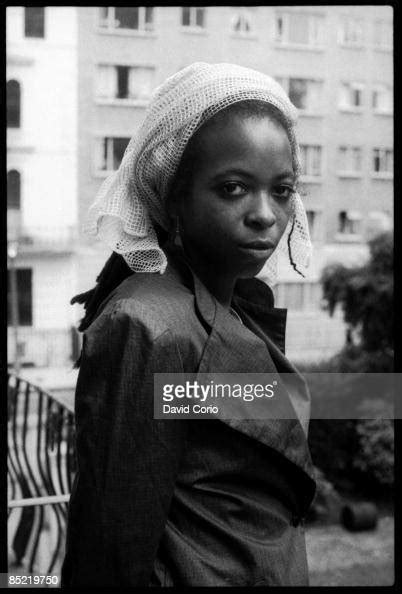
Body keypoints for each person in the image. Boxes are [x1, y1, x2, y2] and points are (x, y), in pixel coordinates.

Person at [61, 62, 316, 588]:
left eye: (283, 190)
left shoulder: (239, 302)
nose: (266, 214)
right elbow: (109, 552)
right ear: (173, 194)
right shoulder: (148, 325)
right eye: (233, 188)